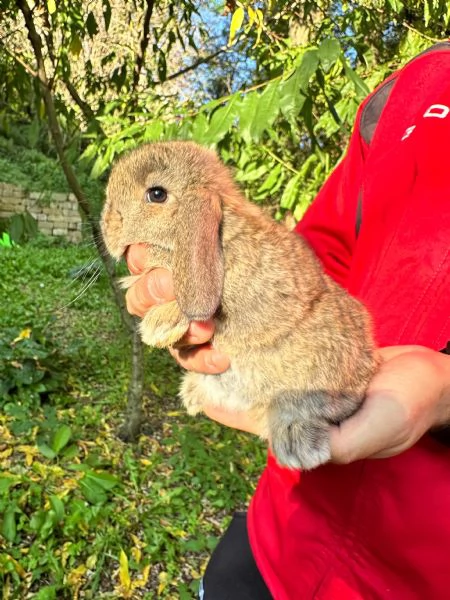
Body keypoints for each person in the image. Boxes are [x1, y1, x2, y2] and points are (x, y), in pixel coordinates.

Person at [124, 43, 450, 599]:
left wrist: (444, 395)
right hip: (283, 526)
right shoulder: (420, 83)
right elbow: (323, 253)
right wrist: (232, 286)